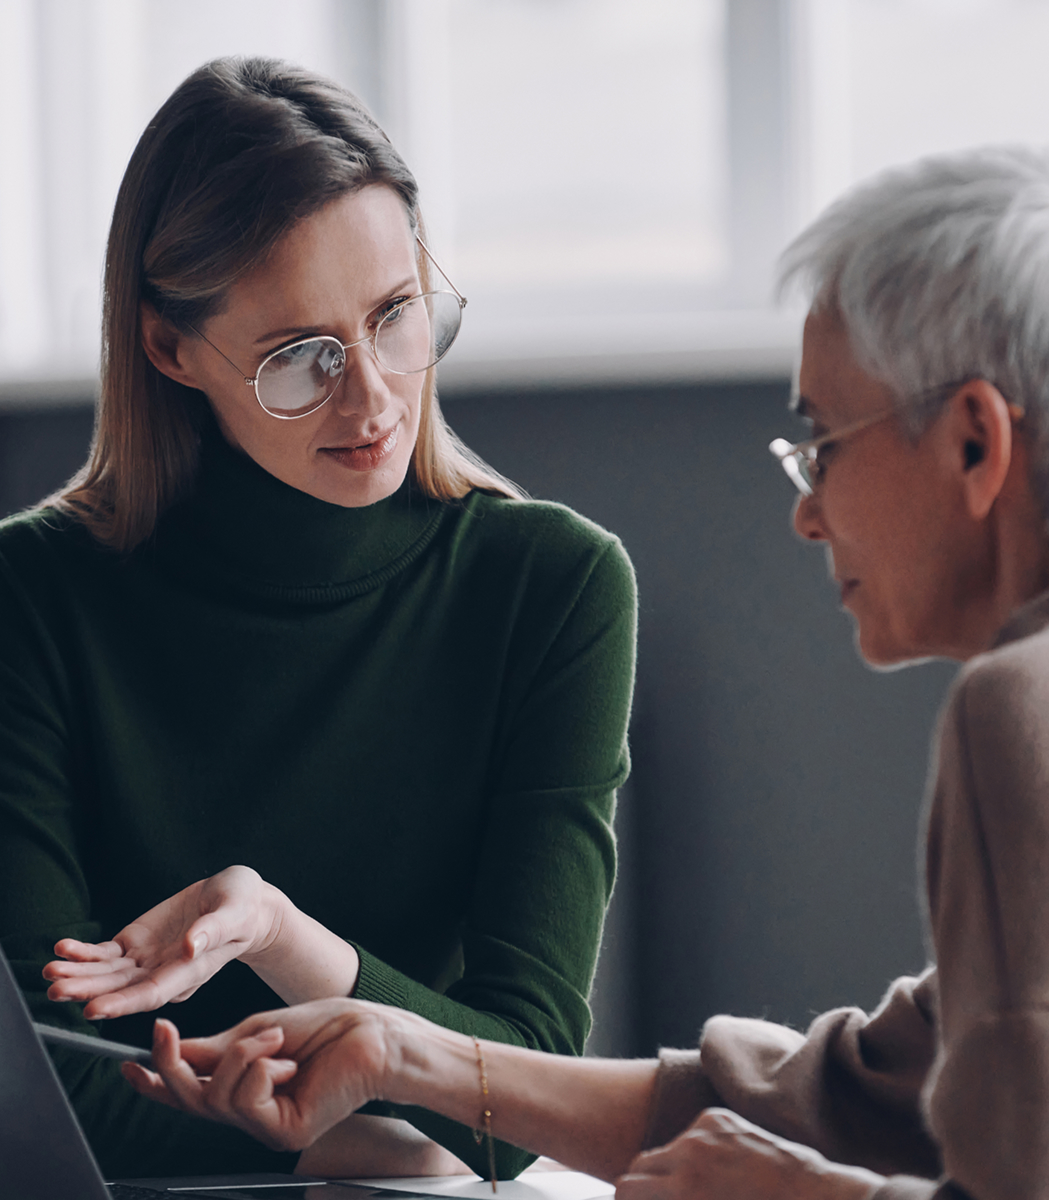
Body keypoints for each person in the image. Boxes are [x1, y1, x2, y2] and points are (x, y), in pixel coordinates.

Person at [129, 143, 1049, 1199]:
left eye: (823, 442)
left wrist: (806, 1196)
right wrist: (406, 1053)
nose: (807, 511)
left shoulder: (1027, 708)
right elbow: (854, 1099)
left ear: (973, 444)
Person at [0, 57, 637, 1181]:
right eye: (302, 358)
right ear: (169, 347)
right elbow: (48, 1085)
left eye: (396, 315)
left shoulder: (555, 588)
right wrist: (362, 1141)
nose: (376, 399)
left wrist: (280, 937)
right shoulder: (32, 597)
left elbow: (528, 1082)